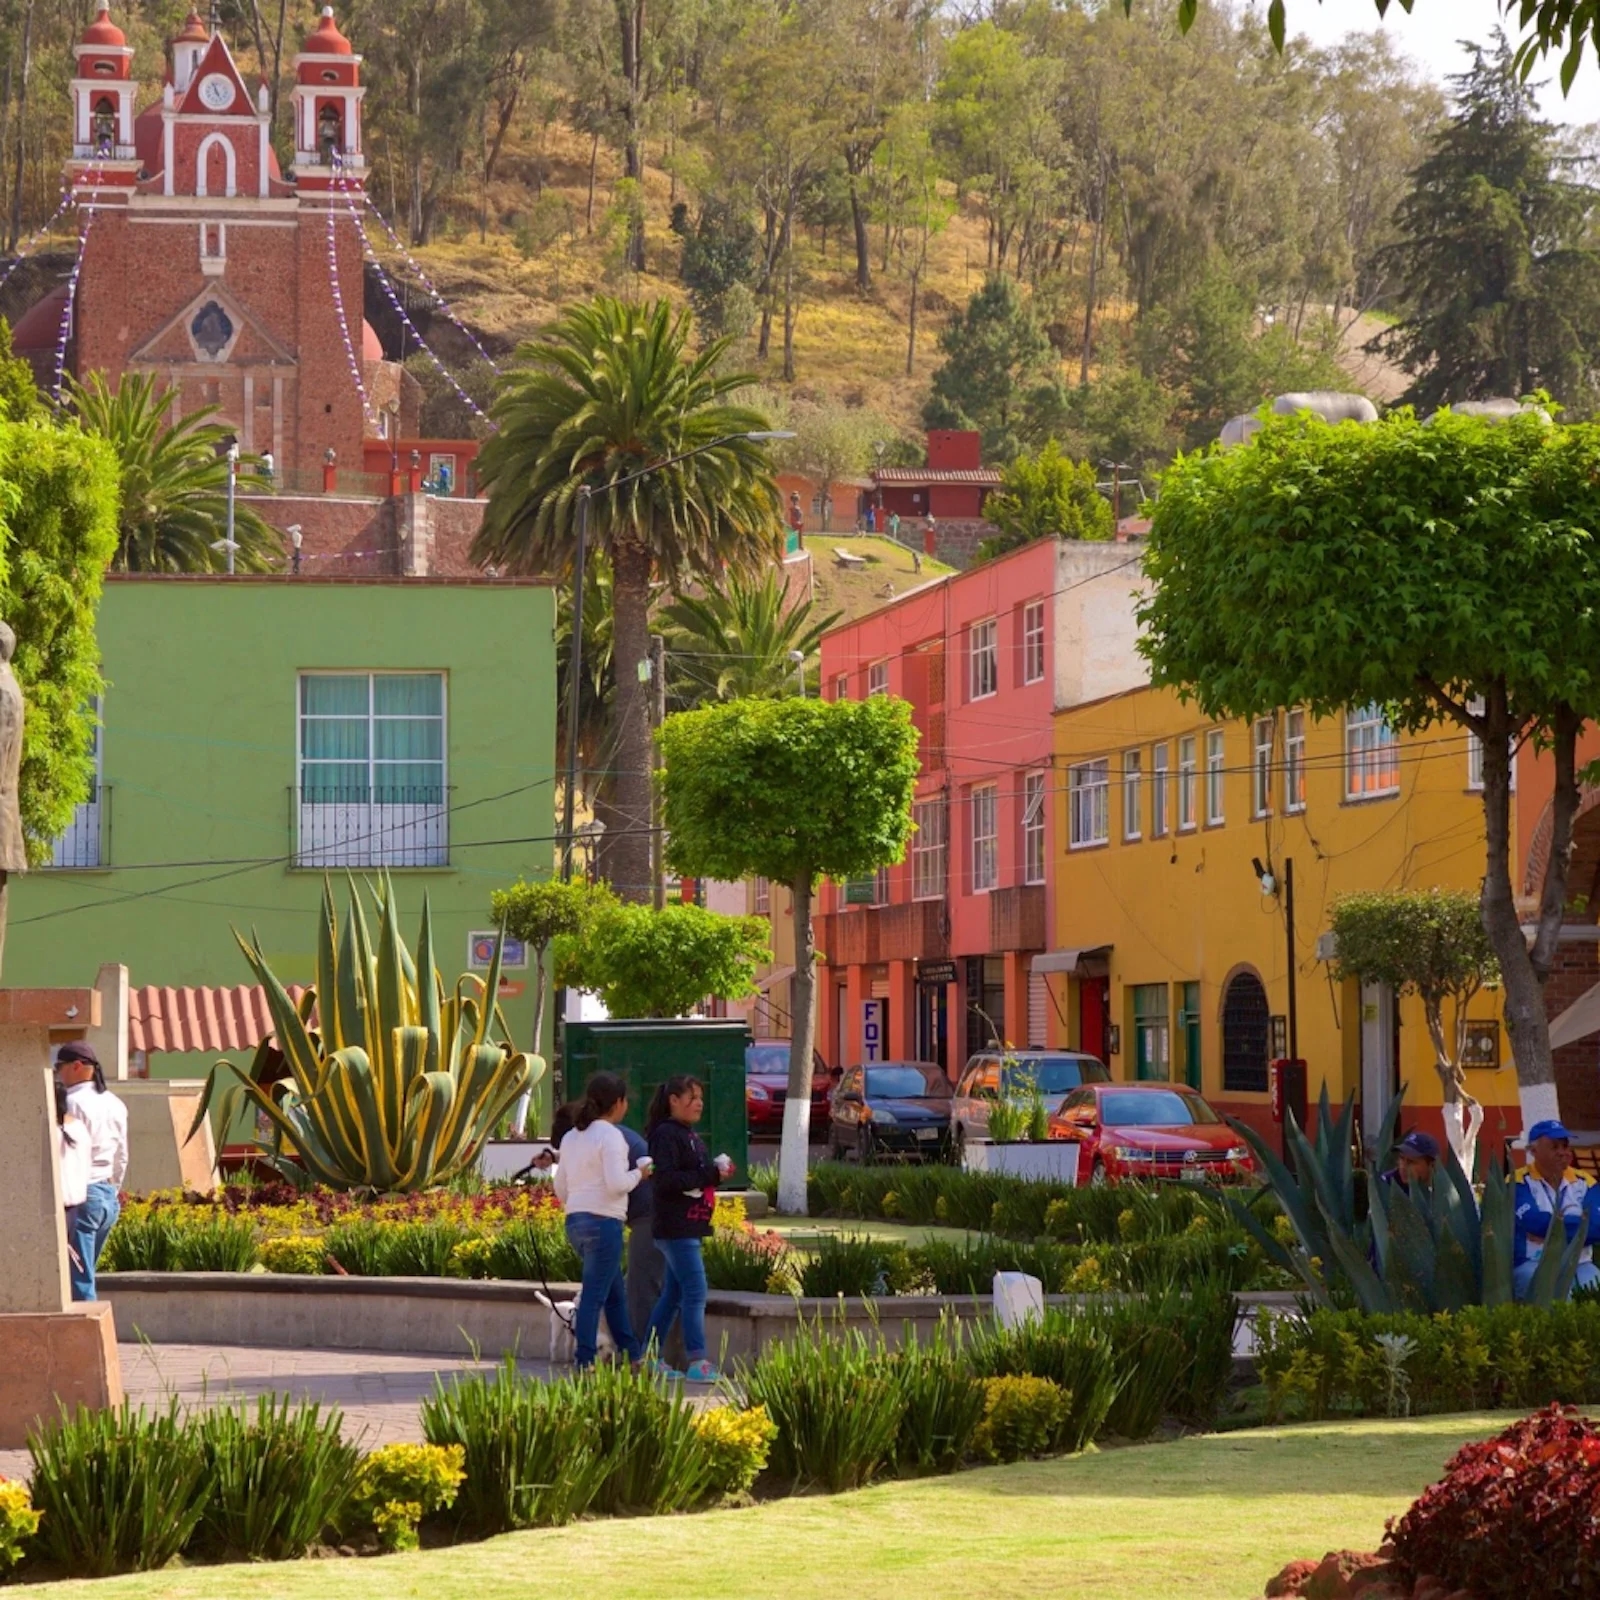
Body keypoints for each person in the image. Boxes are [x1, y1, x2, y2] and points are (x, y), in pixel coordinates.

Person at [552, 1073, 650, 1369]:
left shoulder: (571, 1136)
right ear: (618, 1103)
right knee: (596, 1294)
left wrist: (580, 1203)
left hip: (576, 1222)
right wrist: (641, 1174)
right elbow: (617, 1184)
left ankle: (633, 1354)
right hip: (604, 1222)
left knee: (613, 1293)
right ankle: (585, 1359)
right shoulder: (610, 1135)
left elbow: (561, 1187)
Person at [645, 1074, 732, 1382]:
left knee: (674, 1293)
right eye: (692, 1098)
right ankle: (697, 1360)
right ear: (674, 1101)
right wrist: (708, 1175)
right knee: (696, 1290)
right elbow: (666, 1181)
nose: (699, 1104)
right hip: (676, 1227)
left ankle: (650, 1357)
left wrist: (714, 1175)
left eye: (701, 1098)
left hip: (688, 1224)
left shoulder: (687, 1134)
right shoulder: (667, 1135)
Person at [54, 1041, 127, 1301]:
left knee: (79, 1283)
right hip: (106, 1196)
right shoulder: (115, 1103)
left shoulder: (70, 1104)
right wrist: (112, 1191)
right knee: (85, 1274)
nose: (58, 1073)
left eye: (59, 1067)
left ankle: (82, 1340)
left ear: (76, 1066)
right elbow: (122, 1156)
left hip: (82, 1197)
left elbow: (66, 1154)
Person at [1512, 1118, 1599, 1300]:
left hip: (1580, 1263)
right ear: (1533, 1151)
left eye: (1565, 1146)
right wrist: (1580, 1227)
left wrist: (1549, 1233)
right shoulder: (1517, 1182)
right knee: (1560, 1299)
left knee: (1594, 1293)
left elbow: (1596, 1227)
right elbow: (1533, 1221)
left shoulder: (1586, 1182)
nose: (1563, 1153)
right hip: (1535, 1263)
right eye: (1554, 1147)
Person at [1380, 1130, 1439, 1194]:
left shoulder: (1441, 1191)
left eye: (1411, 1162)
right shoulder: (1386, 1184)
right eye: (1401, 1158)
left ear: (1431, 1165)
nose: (1403, 1166)